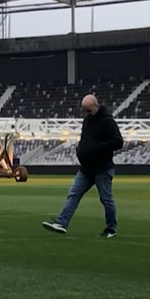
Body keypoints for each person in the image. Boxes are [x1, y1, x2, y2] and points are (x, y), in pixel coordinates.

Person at [43, 94, 124, 238]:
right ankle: (62, 223)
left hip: (102, 168)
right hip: (86, 168)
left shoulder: (108, 121)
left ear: (96, 106)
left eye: (89, 110)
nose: (87, 113)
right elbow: (84, 138)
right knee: (73, 194)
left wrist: (97, 147)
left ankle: (111, 228)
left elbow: (118, 142)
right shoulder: (87, 120)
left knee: (106, 199)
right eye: (85, 110)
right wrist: (80, 149)